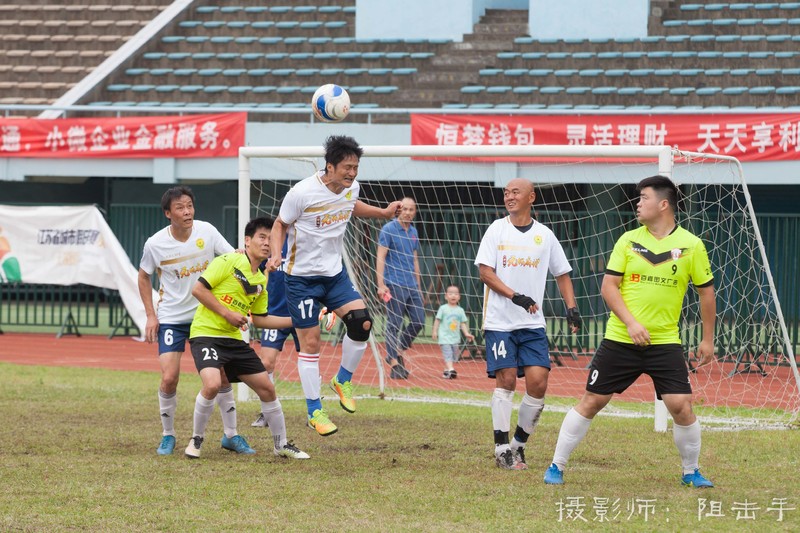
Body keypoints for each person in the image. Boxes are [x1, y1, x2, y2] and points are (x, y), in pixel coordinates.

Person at [543, 176, 716, 487]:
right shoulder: (627, 240)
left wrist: (707, 339)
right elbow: (609, 287)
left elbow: (706, 293)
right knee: (592, 401)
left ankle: (691, 472)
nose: (638, 203)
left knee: (681, 405)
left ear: (663, 204)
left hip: (665, 342)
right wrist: (631, 323)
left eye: (644, 198)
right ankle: (557, 465)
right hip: (620, 339)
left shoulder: (692, 245)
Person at [266, 135, 401, 437]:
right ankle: (315, 411)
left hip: (334, 275)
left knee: (362, 322)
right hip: (301, 279)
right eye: (347, 167)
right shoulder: (301, 193)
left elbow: (352, 206)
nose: (352, 173)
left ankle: (342, 380)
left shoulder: (352, 188)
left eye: (355, 167)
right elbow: (279, 224)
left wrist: (381, 212)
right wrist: (276, 255)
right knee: (311, 343)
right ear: (330, 167)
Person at [475, 178, 581, 470]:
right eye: (506, 193)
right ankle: (501, 449)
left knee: (538, 383)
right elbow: (485, 272)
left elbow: (562, 273)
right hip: (500, 322)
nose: (509, 197)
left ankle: (518, 445)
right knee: (507, 380)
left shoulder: (545, 235)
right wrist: (515, 296)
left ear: (531, 197)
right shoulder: (496, 229)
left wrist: (572, 308)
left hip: (532, 324)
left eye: (515, 192)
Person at [138, 186, 253, 456]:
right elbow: (143, 276)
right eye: (180, 207)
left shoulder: (207, 231)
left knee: (221, 375)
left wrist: (245, 261)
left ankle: (231, 435)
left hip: (207, 316)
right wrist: (151, 315)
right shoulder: (155, 244)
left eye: (189, 205)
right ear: (168, 213)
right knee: (169, 377)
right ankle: (168, 435)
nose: (187, 211)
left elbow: (232, 260)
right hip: (172, 318)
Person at [185, 216, 309, 460]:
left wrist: (298, 321)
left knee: (267, 388)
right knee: (212, 384)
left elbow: (261, 320)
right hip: (206, 334)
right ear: (247, 240)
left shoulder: (260, 280)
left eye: (270, 239)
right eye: (262, 237)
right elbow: (198, 290)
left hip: (234, 341)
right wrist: (227, 314)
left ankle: (281, 445)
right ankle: (196, 439)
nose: (267, 243)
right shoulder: (228, 260)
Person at [251, 239, 336, 428]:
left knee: (310, 359)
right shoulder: (273, 243)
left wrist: (329, 305)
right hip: (274, 314)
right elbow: (254, 268)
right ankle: (267, 412)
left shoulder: (308, 242)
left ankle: (315, 413)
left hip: (304, 312)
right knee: (266, 362)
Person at [376, 197, 424, 380]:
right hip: (394, 283)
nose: (408, 212)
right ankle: (395, 363)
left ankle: (396, 350)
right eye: (405, 209)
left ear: (415, 212)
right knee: (394, 324)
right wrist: (381, 284)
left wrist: (419, 286)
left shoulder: (414, 231)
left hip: (411, 285)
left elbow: (415, 259)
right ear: (398, 210)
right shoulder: (388, 229)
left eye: (411, 209)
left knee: (419, 321)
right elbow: (380, 256)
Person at [432, 284, 474, 379]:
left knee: (454, 356)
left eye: (455, 294)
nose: (453, 296)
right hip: (444, 337)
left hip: (455, 338)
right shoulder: (443, 308)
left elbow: (462, 323)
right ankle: (451, 370)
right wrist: (434, 331)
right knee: (448, 354)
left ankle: (446, 371)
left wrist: (466, 333)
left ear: (459, 297)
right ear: (446, 296)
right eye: (450, 293)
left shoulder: (460, 310)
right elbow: (437, 320)